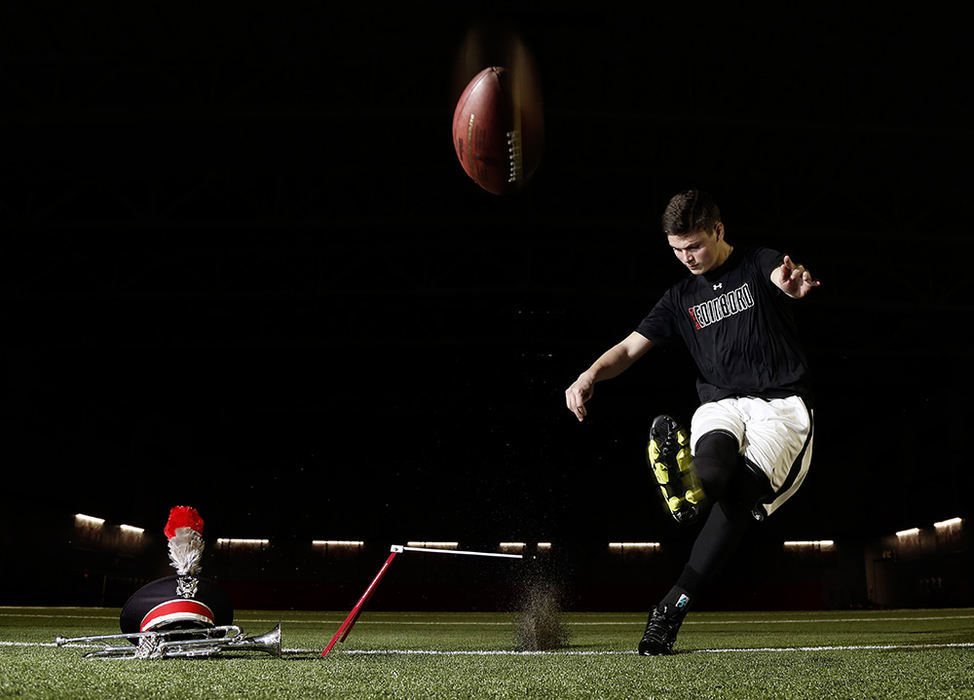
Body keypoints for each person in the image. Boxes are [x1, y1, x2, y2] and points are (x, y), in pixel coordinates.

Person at [564, 189, 819, 655]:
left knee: (735, 501)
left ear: (718, 231)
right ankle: (686, 484)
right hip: (721, 403)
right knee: (716, 471)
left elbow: (782, 275)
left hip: (779, 406)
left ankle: (668, 609)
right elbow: (627, 349)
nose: (687, 259)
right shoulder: (680, 297)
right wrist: (589, 375)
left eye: (695, 247)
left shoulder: (756, 263)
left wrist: (790, 284)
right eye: (677, 251)